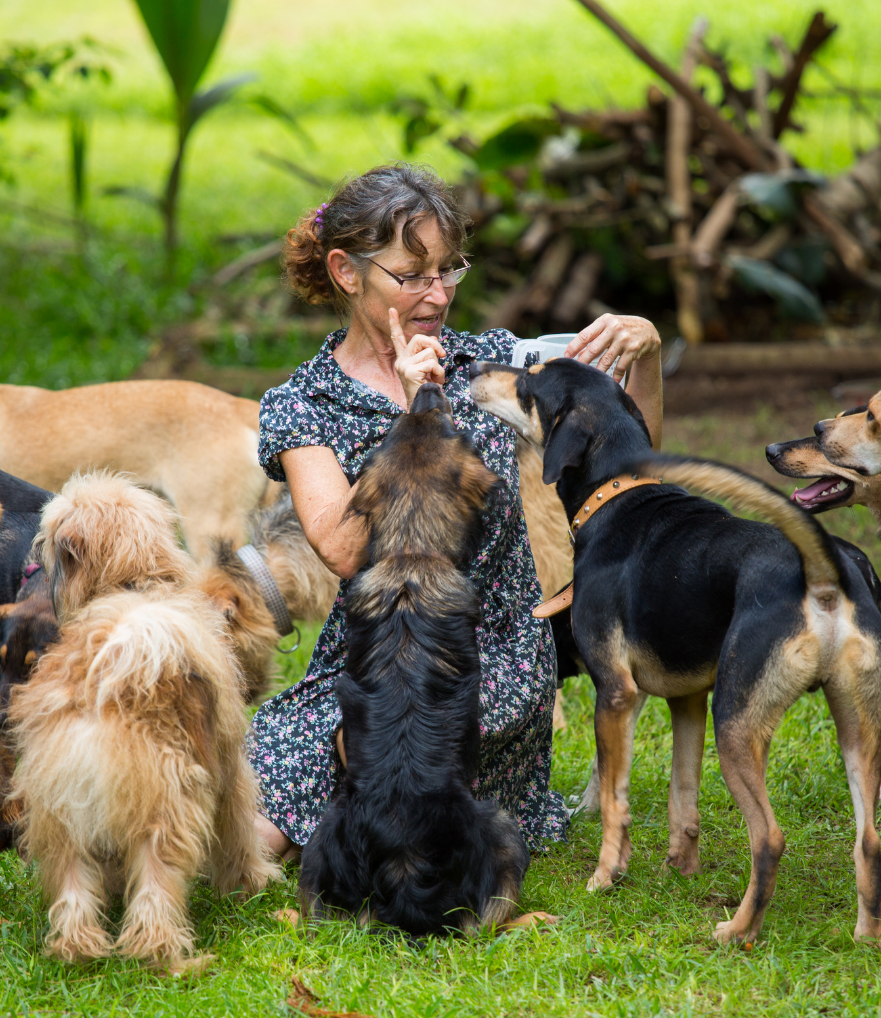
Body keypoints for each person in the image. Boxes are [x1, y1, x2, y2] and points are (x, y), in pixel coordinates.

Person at [251, 162, 662, 861]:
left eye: (449, 269)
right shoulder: (302, 405)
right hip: (366, 661)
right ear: (348, 273)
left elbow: (634, 462)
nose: (437, 294)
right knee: (245, 829)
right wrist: (418, 413)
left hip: (483, 661)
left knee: (371, 782)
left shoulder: (491, 365)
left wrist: (645, 355)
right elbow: (346, 553)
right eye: (411, 275)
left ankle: (385, 824)